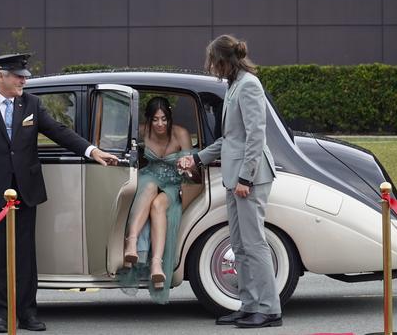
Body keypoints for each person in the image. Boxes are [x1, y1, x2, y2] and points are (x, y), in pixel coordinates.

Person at [0, 53, 118, 333]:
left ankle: (27, 312)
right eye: (18, 75)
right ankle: (1, 315)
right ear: (1, 76)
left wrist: (92, 151)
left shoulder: (31, 103)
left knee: (24, 254)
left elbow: (59, 131)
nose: (24, 80)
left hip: (25, 191)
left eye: (24, 75)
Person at [178, 35, 282, 328]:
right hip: (236, 178)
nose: (211, 67)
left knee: (254, 243)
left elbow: (255, 136)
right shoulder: (236, 85)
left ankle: (269, 309)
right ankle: (249, 306)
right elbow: (230, 139)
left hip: (250, 179)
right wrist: (198, 158)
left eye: (213, 61)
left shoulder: (249, 84)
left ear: (225, 61)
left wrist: (246, 178)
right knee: (239, 244)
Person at [120, 96, 193, 304]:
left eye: (164, 119)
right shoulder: (143, 131)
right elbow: (111, 134)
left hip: (173, 183)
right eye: (155, 119)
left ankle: (156, 265)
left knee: (159, 205)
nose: (160, 124)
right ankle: (131, 245)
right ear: (149, 120)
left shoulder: (181, 134)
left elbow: (193, 168)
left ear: (169, 118)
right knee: (150, 187)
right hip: (148, 177)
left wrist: (186, 166)